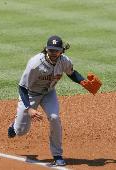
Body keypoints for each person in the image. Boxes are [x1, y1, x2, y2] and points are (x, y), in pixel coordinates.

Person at [7, 35, 102, 166]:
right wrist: (29, 109)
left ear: (61, 51)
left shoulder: (64, 61)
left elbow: (72, 73)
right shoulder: (35, 64)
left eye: (56, 51)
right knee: (20, 131)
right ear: (46, 49)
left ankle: (57, 155)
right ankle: (14, 125)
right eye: (51, 50)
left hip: (48, 94)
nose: (53, 53)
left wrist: (82, 81)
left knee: (54, 117)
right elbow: (22, 87)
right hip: (30, 95)